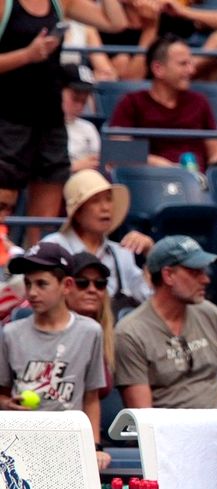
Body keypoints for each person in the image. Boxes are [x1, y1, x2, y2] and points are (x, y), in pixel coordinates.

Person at [0, 0, 128, 246]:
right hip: (8, 120)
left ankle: (36, 264)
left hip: (50, 120)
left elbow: (116, 23)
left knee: (43, 223)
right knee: (3, 209)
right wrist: (27, 55)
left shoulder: (61, 3)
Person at [0, 242, 109, 470]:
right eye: (28, 283)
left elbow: (91, 397)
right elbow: (2, 394)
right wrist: (8, 405)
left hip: (69, 443)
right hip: (20, 444)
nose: (32, 292)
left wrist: (94, 447)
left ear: (66, 285)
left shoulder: (90, 331)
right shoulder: (10, 333)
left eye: (42, 284)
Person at [114, 235, 217, 409]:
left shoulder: (209, 312)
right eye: (195, 272)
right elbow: (142, 414)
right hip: (166, 426)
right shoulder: (130, 332)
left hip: (216, 424)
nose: (206, 279)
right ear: (168, 275)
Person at [109, 34, 217, 171]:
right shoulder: (132, 102)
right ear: (158, 69)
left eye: (190, 63)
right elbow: (117, 150)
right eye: (183, 64)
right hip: (150, 179)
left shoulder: (199, 101)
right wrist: (159, 164)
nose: (191, 70)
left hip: (196, 181)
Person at [42, 169, 152, 311]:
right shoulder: (53, 247)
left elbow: (147, 298)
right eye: (95, 201)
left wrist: (151, 254)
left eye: (108, 199)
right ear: (77, 212)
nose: (105, 208)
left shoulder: (121, 253)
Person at [102, 0, 217, 82]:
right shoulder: (110, 29)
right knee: (121, 60)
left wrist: (184, 11)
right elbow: (131, 82)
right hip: (145, 95)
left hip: (182, 86)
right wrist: (150, 27)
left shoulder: (167, 16)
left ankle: (182, 69)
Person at [65, 251, 115, 398]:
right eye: (82, 282)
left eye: (100, 283)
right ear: (66, 286)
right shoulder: (54, 333)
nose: (92, 289)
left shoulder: (112, 335)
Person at [61, 63, 100, 174]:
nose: (79, 106)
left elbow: (98, 161)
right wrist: (72, 167)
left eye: (84, 100)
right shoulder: (38, 128)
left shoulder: (88, 128)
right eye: (75, 98)